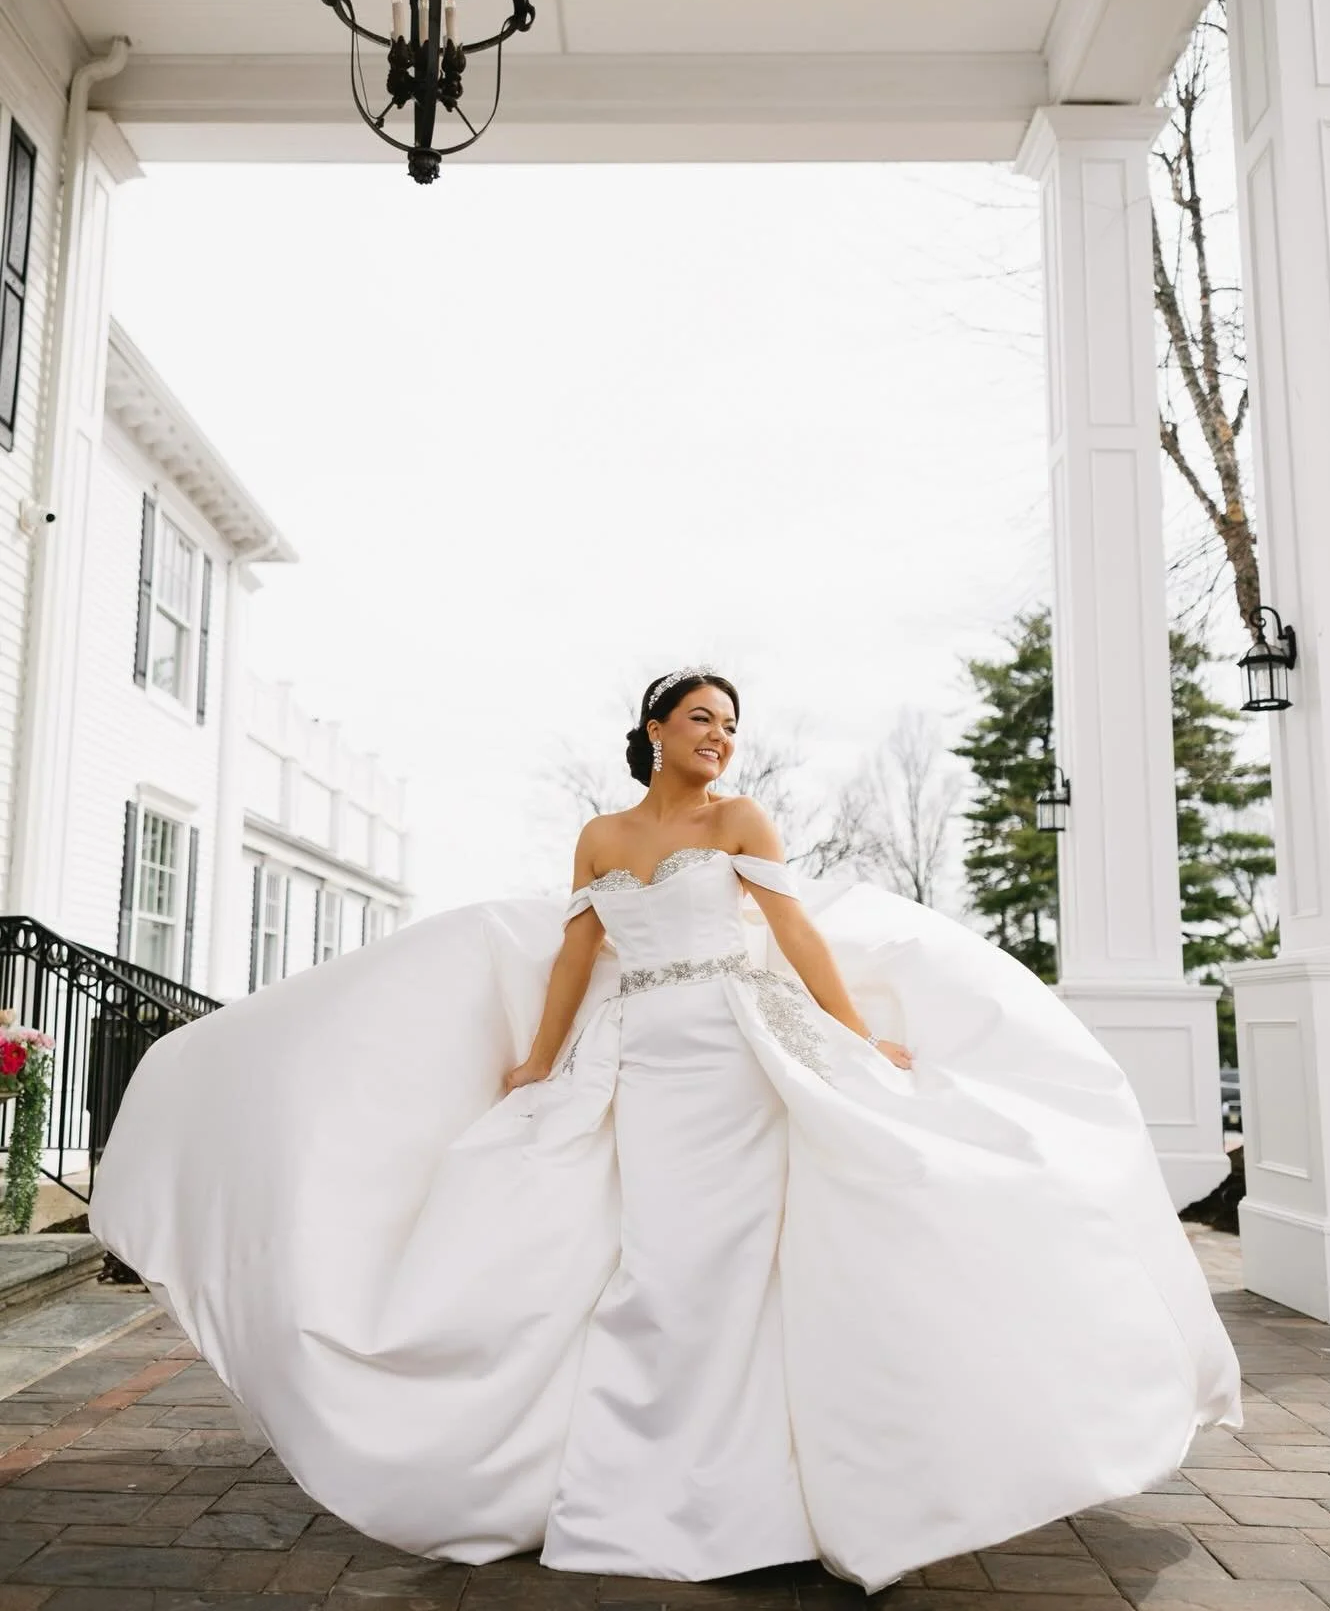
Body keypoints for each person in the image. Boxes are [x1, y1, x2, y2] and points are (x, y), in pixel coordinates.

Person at [90, 666, 1242, 1594]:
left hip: (738, 1058)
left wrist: (854, 1036)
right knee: (659, 1258)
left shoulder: (740, 816)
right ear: (651, 728)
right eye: (701, 719)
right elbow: (581, 953)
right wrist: (540, 1062)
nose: (720, 738)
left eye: (730, 724)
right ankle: (655, 1478)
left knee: (732, 1257)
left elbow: (791, 931)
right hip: (640, 1062)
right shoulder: (600, 836)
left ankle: (756, 1491)